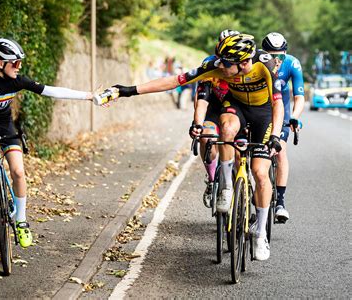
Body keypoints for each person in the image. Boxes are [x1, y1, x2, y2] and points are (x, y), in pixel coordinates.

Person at [106, 34, 284, 261]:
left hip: (264, 114)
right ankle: (228, 188)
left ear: (243, 62)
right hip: (236, 106)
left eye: (225, 63)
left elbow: (278, 104)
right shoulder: (216, 66)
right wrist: (129, 90)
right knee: (226, 129)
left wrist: (276, 135)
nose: (220, 65)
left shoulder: (265, 64)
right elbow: (174, 81)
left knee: (260, 172)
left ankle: (260, 234)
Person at [0, 38, 93, 248]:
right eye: (15, 63)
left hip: (6, 125)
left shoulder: (18, 81)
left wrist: (89, 96)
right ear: (0, 63)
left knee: (18, 172)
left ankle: (21, 221)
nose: (19, 67)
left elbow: (52, 91)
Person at [189, 29, 240, 207]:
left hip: (238, 109)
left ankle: (246, 191)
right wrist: (197, 124)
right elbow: (201, 99)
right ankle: (211, 180)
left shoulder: (244, 65)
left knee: (242, 151)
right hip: (214, 107)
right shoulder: (210, 64)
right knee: (206, 138)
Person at [261, 32, 304, 223]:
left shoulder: (292, 63)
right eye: (271, 56)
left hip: (283, 108)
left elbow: (299, 96)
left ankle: (280, 201)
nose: (276, 60)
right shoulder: (257, 62)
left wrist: (294, 116)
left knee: (280, 150)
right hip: (260, 107)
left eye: (280, 56)